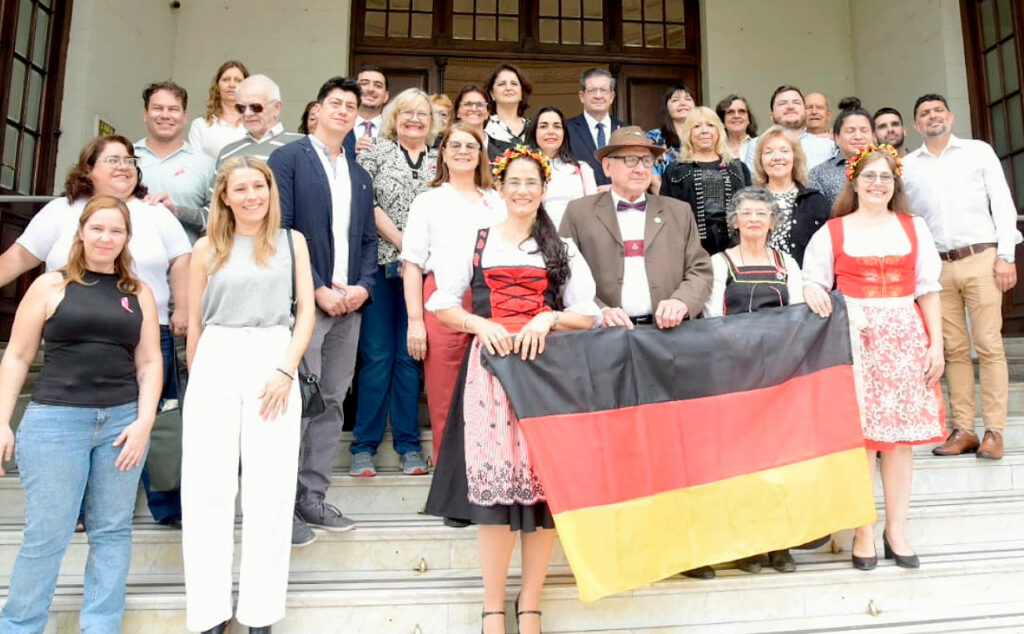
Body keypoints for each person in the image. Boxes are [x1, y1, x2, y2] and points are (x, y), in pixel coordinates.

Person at [424, 147, 600, 634]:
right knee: (494, 495)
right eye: (514, 182)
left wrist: (549, 315)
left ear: (545, 190)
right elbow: (442, 304)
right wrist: (479, 323)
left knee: (541, 493)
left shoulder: (559, 246)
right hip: (490, 375)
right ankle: (493, 606)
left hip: (546, 375)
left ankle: (531, 604)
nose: (523, 191)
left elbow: (587, 314)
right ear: (500, 188)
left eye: (532, 183)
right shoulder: (475, 239)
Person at [0, 135, 192, 529]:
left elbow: (182, 260)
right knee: (88, 423)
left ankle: (166, 506)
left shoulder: (153, 211)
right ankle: (84, 510)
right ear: (88, 168)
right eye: (112, 160)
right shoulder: (61, 211)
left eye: (129, 160)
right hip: (75, 333)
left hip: (145, 332)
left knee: (156, 420)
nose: (123, 166)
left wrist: (184, 308)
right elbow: (20, 256)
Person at [0, 196, 162, 632]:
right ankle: (19, 625)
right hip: (56, 422)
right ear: (82, 232)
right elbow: (16, 355)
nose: (106, 238)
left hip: (121, 422)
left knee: (111, 532)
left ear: (127, 238)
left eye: (117, 231)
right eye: (98, 229)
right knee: (47, 535)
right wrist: (1, 421)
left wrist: (144, 422)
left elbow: (149, 362)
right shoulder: (50, 286)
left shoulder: (138, 291)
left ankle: (101, 625)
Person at [559, 124, 713, 578]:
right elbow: (561, 273)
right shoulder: (579, 212)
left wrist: (681, 302)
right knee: (613, 448)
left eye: (646, 160)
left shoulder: (678, 211)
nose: (640, 167)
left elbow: (700, 270)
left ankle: (679, 550)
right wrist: (599, 310)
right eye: (629, 159)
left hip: (669, 342)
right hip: (606, 342)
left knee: (672, 448)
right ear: (606, 166)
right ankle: (617, 550)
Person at [181, 157, 315, 634]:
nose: (252, 195)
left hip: (272, 356)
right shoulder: (206, 247)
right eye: (241, 188)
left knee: (270, 489)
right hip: (216, 354)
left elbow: (306, 315)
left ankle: (260, 613)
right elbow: (194, 322)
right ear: (225, 196)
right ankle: (209, 613)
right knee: (207, 488)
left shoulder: (291, 243)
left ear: (269, 191)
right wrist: (199, 377)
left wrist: (286, 369)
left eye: (259, 186)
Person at [803, 144, 946, 571]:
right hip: (855, 338)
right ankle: (864, 529)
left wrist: (935, 344)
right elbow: (812, 280)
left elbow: (928, 288)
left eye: (886, 177)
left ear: (895, 183)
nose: (877, 184)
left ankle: (896, 529)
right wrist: (814, 290)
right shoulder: (833, 231)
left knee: (900, 442)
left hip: (904, 334)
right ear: (855, 181)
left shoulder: (913, 226)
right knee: (861, 440)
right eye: (869, 176)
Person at [267, 76, 377, 546]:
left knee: (331, 402)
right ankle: (279, 504)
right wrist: (314, 289)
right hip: (303, 307)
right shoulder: (289, 159)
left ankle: (312, 496)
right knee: (296, 404)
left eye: (351, 106)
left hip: (348, 306)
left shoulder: (359, 173)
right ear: (317, 109)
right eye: (336, 103)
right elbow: (280, 229)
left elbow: (369, 242)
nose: (344, 111)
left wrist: (364, 288)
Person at [903, 93, 1022, 461]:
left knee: (988, 345)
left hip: (981, 258)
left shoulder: (978, 152)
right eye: (924, 113)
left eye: (938, 110)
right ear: (916, 126)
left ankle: (994, 432)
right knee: (953, 349)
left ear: (950, 116)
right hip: (937, 267)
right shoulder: (907, 166)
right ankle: (965, 429)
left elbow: (1002, 203)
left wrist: (1005, 256)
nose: (932, 117)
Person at [401, 124, 505, 467]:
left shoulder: (497, 202)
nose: (462, 151)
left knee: (491, 394)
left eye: (470, 146)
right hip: (442, 301)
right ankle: (449, 484)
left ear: (481, 156)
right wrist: (416, 321)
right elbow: (413, 264)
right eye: (455, 145)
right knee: (445, 393)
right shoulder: (428, 201)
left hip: (491, 303)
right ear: (443, 154)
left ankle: (488, 471)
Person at [351, 88, 438, 477]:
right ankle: (363, 447)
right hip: (383, 269)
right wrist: (407, 247)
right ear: (393, 117)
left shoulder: (441, 161)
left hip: (428, 275)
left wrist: (421, 257)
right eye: (406, 113)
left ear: (432, 122)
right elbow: (365, 204)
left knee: (409, 358)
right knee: (377, 357)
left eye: (422, 114)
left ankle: (408, 446)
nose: (415, 119)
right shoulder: (375, 154)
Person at [661, 107, 751, 256]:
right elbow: (667, 214)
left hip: (736, 249)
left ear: (719, 131)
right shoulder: (674, 170)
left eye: (710, 125)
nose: (704, 131)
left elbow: (749, 209)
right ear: (688, 132)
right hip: (689, 249)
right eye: (697, 126)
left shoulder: (738, 168)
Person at [135, 81, 215, 244]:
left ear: (185, 116)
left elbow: (216, 220)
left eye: (173, 109)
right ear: (145, 114)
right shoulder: (126, 157)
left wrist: (177, 211)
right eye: (158, 108)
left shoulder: (207, 165)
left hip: (183, 265)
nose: (165, 115)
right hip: (126, 263)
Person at [751, 125, 830, 266]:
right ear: (760, 160)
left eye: (784, 151)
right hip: (758, 281)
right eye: (768, 152)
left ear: (795, 157)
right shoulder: (748, 200)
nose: (776, 157)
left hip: (804, 282)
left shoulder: (816, 201)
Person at [527, 105, 597, 228]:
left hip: (574, 240)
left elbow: (592, 214)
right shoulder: (522, 168)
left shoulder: (583, 169)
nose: (551, 131)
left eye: (557, 126)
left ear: (564, 132)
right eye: (543, 126)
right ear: (534, 132)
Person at [216, 75, 303, 167]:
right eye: (241, 108)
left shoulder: (303, 146)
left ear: (276, 108)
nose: (247, 113)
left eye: (255, 107)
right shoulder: (227, 153)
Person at [744, 85, 836, 172]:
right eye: (782, 103)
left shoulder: (827, 145)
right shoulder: (756, 145)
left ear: (805, 112)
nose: (790, 107)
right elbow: (754, 185)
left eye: (796, 102)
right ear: (772, 116)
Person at [809, 97, 874, 208]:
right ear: (836, 137)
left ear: (873, 136)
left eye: (864, 130)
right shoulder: (818, 174)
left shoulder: (888, 166)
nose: (858, 137)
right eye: (850, 131)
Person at [566, 68, 627, 187]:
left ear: (612, 96)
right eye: (592, 91)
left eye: (603, 90)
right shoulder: (566, 130)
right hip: (582, 202)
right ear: (582, 96)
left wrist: (613, 189)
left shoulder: (626, 131)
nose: (598, 96)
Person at [188, 60, 249, 159]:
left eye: (238, 80)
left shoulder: (256, 125)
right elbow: (196, 166)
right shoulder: (200, 125)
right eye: (226, 79)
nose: (232, 85)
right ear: (217, 86)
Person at [645, 82, 697, 189]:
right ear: (666, 108)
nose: (683, 103)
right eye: (675, 100)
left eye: (688, 99)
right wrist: (674, 205)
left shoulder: (705, 135)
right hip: (667, 201)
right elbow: (654, 181)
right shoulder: (655, 137)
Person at [485, 63, 533, 155]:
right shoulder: (484, 127)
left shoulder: (535, 129)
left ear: (522, 93)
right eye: (502, 84)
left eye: (514, 84)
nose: (508, 88)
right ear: (492, 94)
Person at [346, 66, 390, 156]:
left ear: (386, 96)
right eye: (364, 84)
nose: (370, 89)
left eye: (378, 85)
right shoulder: (338, 124)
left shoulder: (396, 131)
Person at [453, 84, 498, 159]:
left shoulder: (505, 151)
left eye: (480, 104)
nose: (474, 109)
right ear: (458, 112)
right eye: (468, 104)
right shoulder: (447, 146)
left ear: (488, 113)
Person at [716, 94, 758, 167]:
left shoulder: (760, 145)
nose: (736, 116)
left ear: (749, 119)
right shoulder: (716, 150)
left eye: (741, 111)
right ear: (722, 121)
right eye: (730, 112)